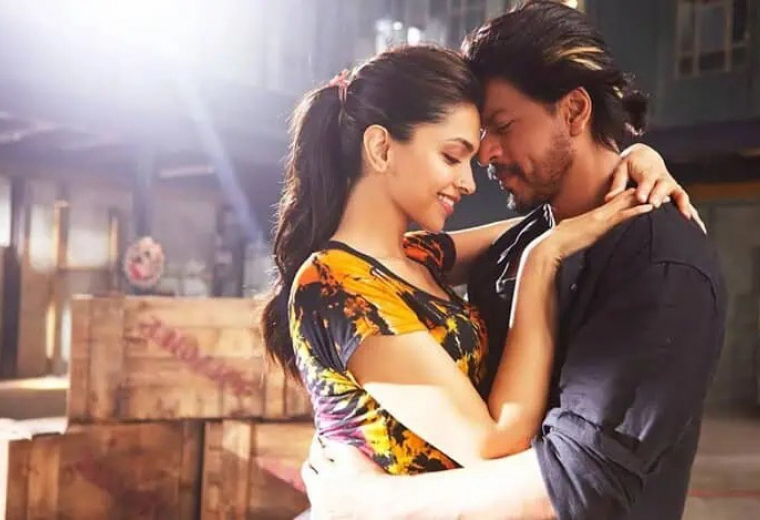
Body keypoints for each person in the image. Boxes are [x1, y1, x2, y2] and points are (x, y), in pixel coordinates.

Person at [300, 2, 726, 520]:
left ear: (574, 111)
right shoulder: (525, 240)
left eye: (501, 127)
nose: (483, 159)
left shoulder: (660, 268)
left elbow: (580, 482)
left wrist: (372, 504)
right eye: (466, 146)